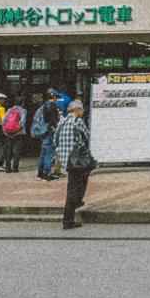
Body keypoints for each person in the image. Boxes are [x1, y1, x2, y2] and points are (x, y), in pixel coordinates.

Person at [58, 98, 95, 230]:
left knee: (78, 181)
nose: (82, 112)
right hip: (76, 160)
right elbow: (87, 135)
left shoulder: (61, 122)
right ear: (77, 110)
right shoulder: (77, 122)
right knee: (73, 189)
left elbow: (55, 138)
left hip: (65, 160)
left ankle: (77, 201)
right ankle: (68, 220)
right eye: (82, 110)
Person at [34, 91, 61, 181]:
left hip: (43, 131)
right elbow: (54, 120)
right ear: (54, 97)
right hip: (50, 131)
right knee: (49, 153)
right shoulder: (53, 106)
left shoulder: (43, 105)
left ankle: (40, 173)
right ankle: (47, 174)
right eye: (56, 97)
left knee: (43, 153)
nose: (57, 99)